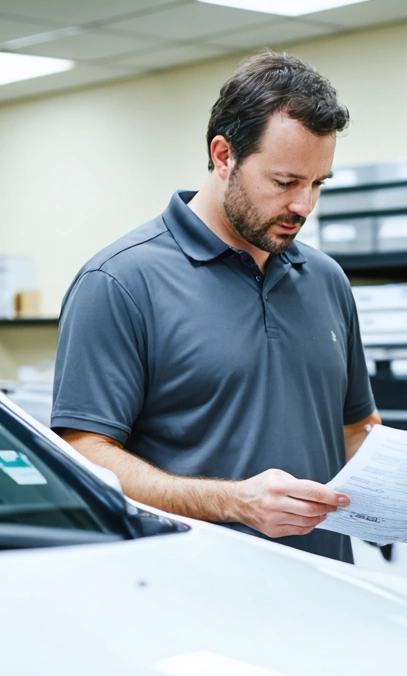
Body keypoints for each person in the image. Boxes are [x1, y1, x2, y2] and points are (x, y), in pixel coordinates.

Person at [50, 52, 380, 562]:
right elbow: (84, 456)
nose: (304, 205)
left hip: (327, 588)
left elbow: (357, 431)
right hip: (188, 590)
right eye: (285, 181)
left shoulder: (326, 280)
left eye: (317, 184)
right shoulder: (119, 281)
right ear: (223, 156)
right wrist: (234, 502)